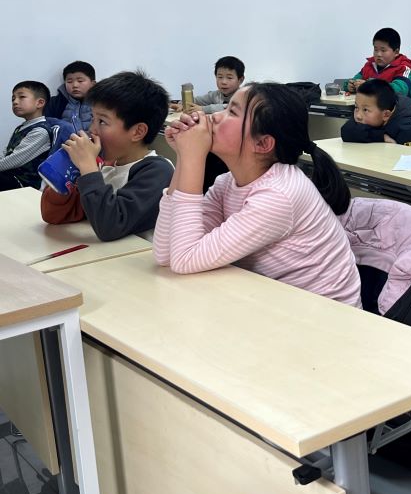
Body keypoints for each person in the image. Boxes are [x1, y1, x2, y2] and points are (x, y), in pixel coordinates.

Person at [154, 83, 361, 307]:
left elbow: (184, 259)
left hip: (325, 317)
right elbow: (166, 255)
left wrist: (193, 156)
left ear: (262, 143)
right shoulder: (227, 183)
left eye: (232, 112)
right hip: (275, 304)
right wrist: (183, 156)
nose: (214, 117)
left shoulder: (278, 195)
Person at [41, 71, 174, 241]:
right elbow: (54, 216)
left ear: (137, 132)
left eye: (102, 121)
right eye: (93, 118)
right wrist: (66, 173)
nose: (92, 129)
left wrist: (88, 169)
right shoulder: (103, 166)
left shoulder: (157, 170)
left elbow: (110, 226)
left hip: (139, 255)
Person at [340, 79, 411, 150]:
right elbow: (346, 130)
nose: (358, 115)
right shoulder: (369, 120)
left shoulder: (408, 130)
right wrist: (381, 136)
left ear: (386, 115)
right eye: (356, 108)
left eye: (365, 110)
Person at [0, 81, 53, 191]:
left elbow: (14, 160)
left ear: (40, 103)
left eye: (22, 97)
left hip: (25, 183)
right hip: (10, 176)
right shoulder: (21, 128)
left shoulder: (40, 131)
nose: (15, 102)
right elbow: (7, 153)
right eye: (13, 99)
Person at [344, 28, 411, 104]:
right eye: (376, 50)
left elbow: (399, 90)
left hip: (399, 110)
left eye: (383, 50)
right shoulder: (369, 65)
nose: (378, 54)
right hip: (373, 108)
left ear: (396, 52)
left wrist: (371, 86)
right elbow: (355, 80)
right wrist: (350, 85)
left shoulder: (404, 68)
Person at [172, 56, 245, 114]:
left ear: (240, 80)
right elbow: (196, 100)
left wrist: (203, 109)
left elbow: (229, 107)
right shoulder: (215, 95)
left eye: (229, 78)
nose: (223, 82)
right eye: (220, 77)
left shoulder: (244, 96)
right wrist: (182, 104)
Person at [45, 60, 96, 132]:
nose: (75, 85)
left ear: (93, 84)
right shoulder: (55, 103)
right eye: (69, 82)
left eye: (80, 81)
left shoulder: (101, 102)